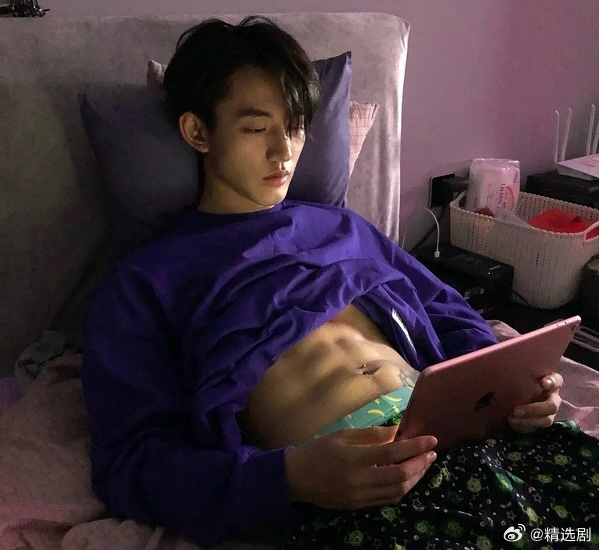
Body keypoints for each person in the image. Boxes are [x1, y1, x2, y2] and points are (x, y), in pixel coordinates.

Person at [81, 16, 599, 550]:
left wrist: (513, 389)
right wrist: (288, 479)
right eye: (257, 129)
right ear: (197, 132)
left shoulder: (343, 228)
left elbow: (449, 313)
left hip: (460, 436)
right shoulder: (144, 282)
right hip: (356, 491)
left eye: (296, 127)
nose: (284, 153)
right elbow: (129, 460)